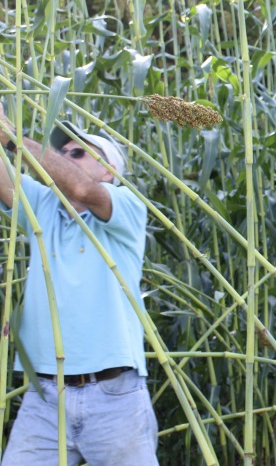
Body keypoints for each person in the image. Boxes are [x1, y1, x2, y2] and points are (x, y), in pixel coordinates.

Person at [0, 108, 158, 465]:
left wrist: (11, 136)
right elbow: (4, 181)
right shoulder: (43, 207)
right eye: (62, 152)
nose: (63, 157)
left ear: (110, 170)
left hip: (114, 396)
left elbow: (83, 189)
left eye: (78, 153)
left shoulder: (126, 207)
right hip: (45, 398)